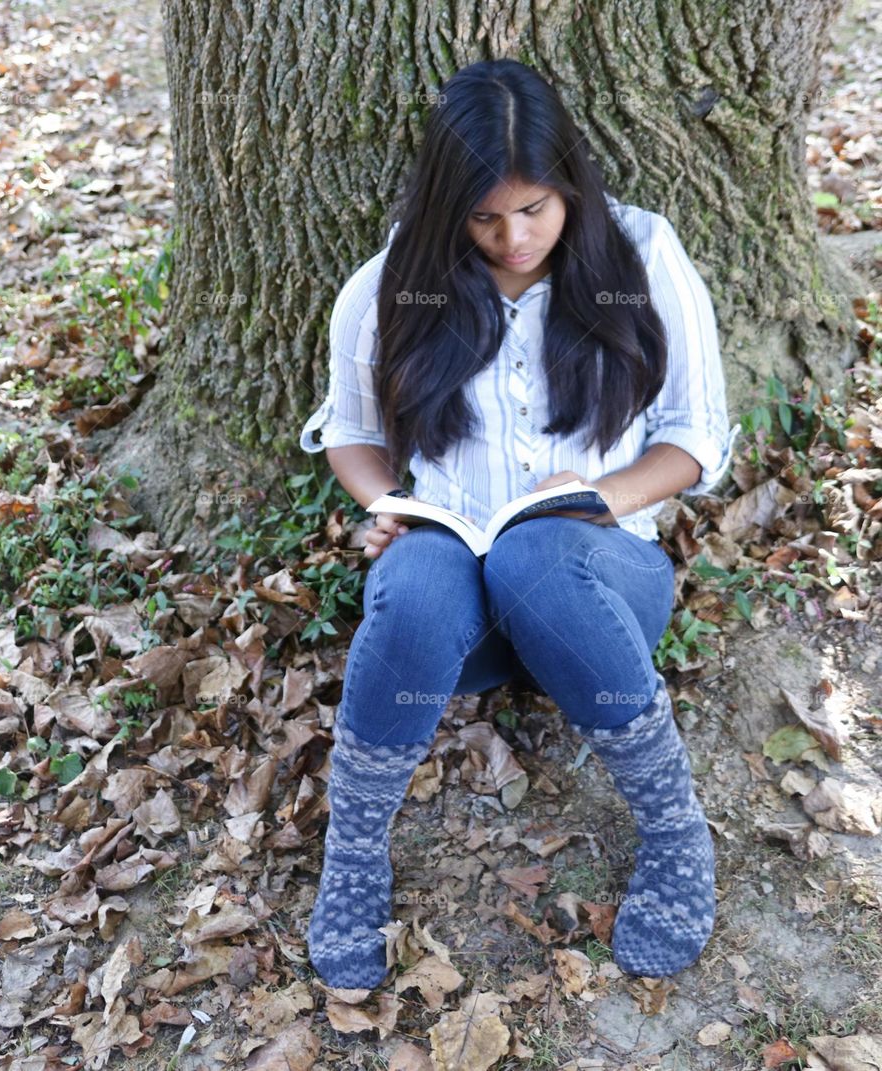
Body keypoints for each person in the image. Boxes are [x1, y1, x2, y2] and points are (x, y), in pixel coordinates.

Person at [298, 58, 738, 990]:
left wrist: (600, 498)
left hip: (600, 587)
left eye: (536, 208)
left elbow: (697, 440)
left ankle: (675, 831)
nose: (514, 237)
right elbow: (352, 434)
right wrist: (388, 506)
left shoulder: (641, 256)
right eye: (486, 217)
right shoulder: (394, 284)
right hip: (461, 602)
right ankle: (355, 856)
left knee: (541, 547)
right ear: (446, 206)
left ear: (569, 184)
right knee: (414, 580)